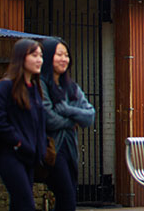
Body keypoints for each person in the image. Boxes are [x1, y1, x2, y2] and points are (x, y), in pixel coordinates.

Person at [0, 38, 47, 211]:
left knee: (19, 204)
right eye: (34, 55)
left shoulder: (34, 88)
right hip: (10, 155)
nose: (39, 60)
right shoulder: (6, 87)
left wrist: (40, 148)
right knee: (26, 204)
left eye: (41, 56)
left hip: (30, 156)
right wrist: (18, 142)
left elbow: (38, 123)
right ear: (21, 58)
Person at [39, 37, 96, 211]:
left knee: (67, 199)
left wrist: (67, 110)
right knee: (67, 197)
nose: (64, 59)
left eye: (66, 55)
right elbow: (48, 119)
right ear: (48, 57)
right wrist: (73, 121)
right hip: (50, 149)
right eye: (59, 55)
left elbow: (90, 116)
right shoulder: (40, 84)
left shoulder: (72, 88)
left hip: (69, 150)